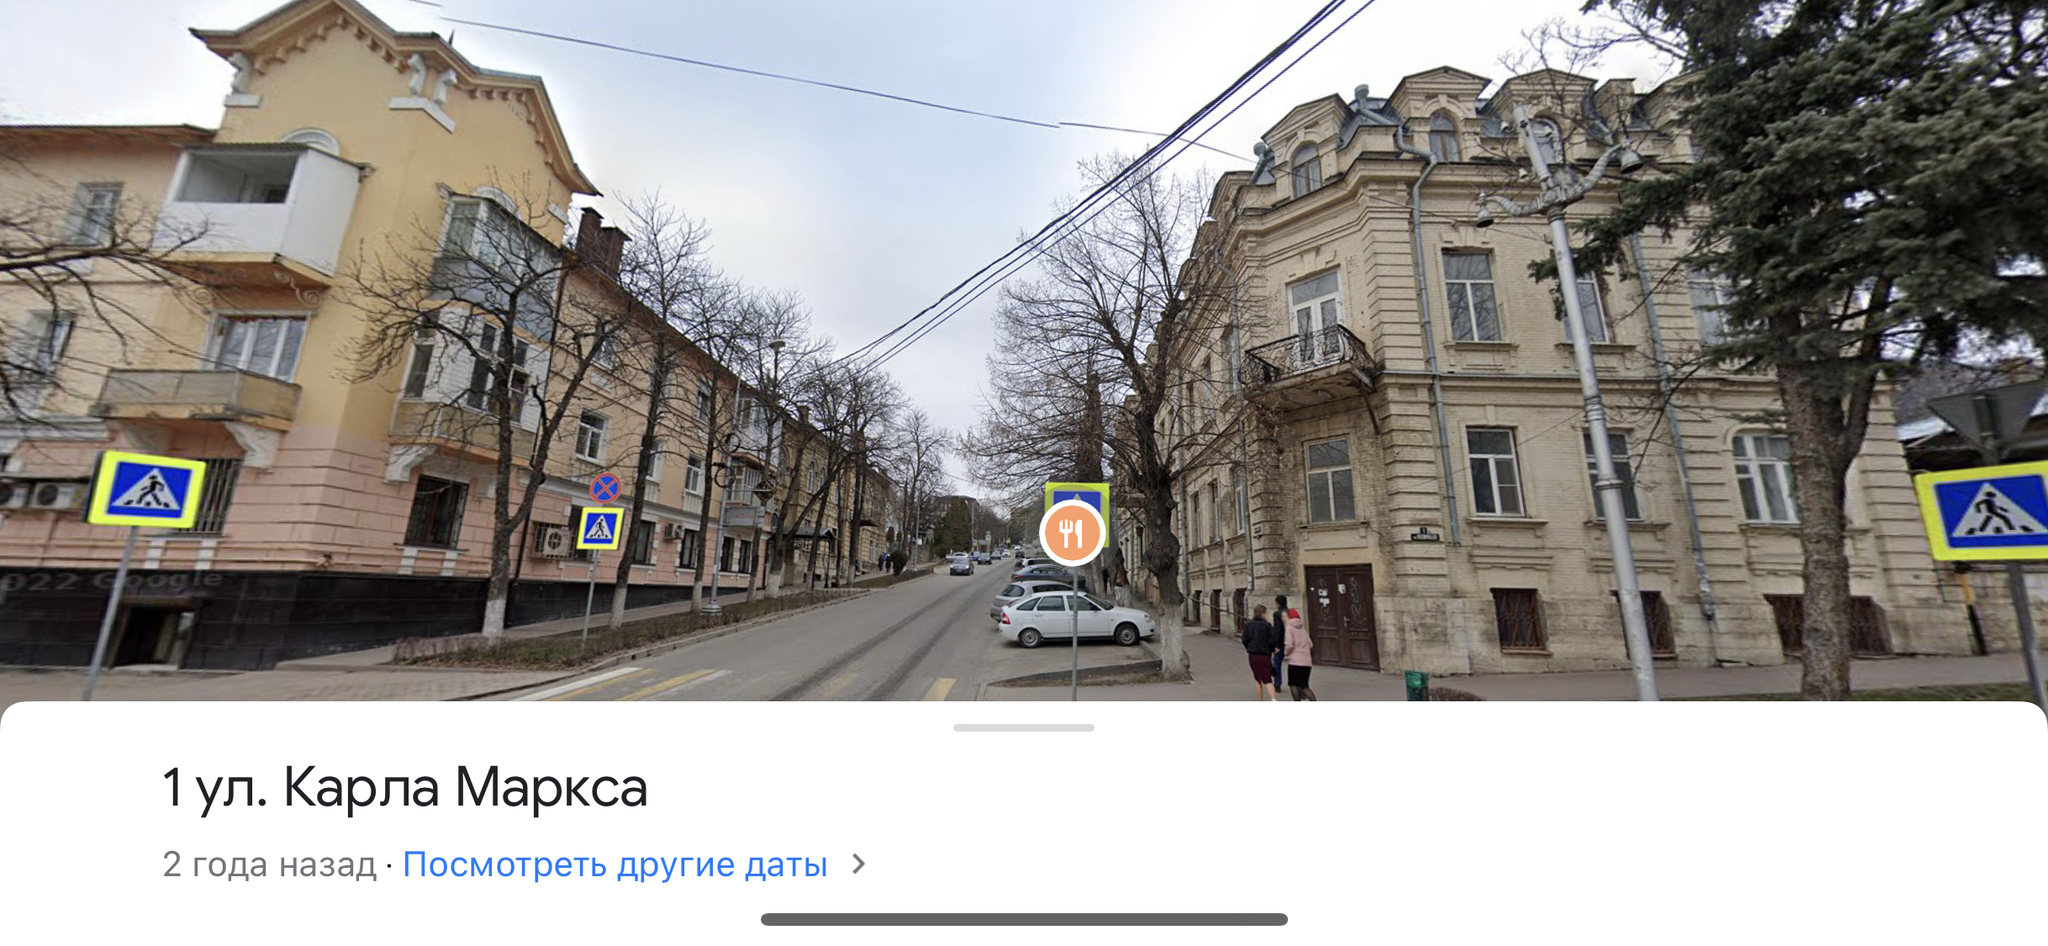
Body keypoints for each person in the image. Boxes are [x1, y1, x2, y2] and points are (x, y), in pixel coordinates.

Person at [1280, 595, 1317, 701]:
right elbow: (1310, 644)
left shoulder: (1289, 628)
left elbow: (1289, 645)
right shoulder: (1301, 628)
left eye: (1284, 617)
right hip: (1306, 662)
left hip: (1295, 662)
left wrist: (1286, 653)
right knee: (1305, 687)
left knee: (1293, 685)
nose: (1283, 619)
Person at [1243, 605, 1279, 701]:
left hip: (1253, 654)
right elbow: (1272, 640)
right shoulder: (1267, 625)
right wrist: (1272, 649)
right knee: (1267, 678)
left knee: (1257, 678)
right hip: (1265, 654)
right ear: (1263, 614)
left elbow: (1245, 639)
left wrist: (1249, 647)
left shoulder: (1249, 625)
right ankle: (1273, 699)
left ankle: (1260, 701)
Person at [1272, 595, 1296, 699]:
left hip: (1282, 642)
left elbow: (1277, 630)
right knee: (1295, 663)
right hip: (1293, 641)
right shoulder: (1291, 613)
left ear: (1277, 603)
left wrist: (1276, 644)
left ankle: (1277, 684)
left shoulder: (1277, 614)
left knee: (1277, 662)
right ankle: (1298, 686)